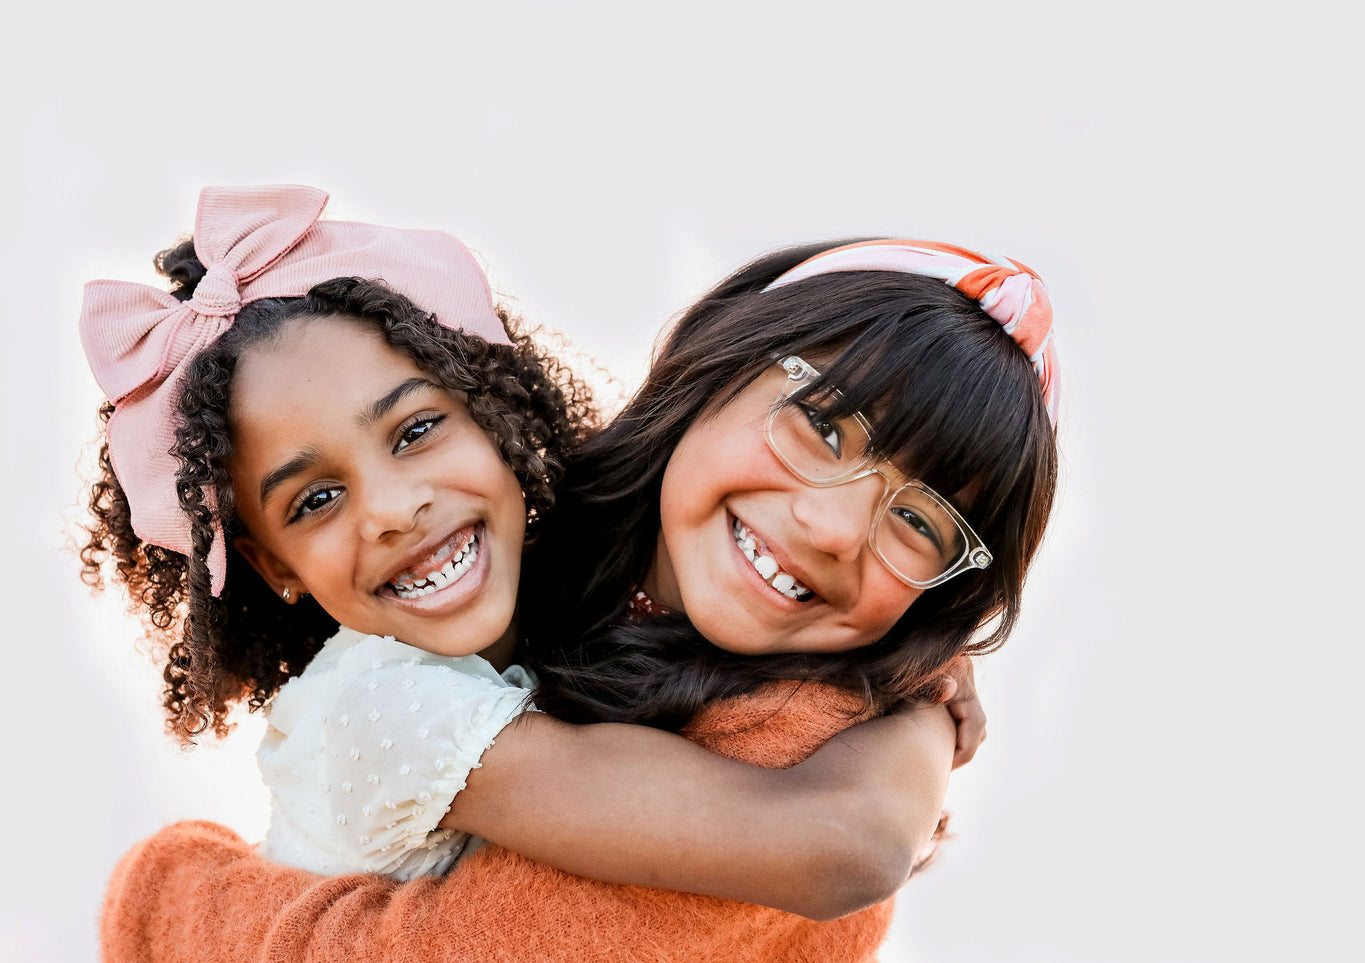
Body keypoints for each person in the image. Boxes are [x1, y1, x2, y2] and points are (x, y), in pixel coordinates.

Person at [95, 220, 1060, 962]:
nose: (835, 524)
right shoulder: (416, 667)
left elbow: (846, 845)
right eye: (825, 426)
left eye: (922, 523)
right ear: (716, 358)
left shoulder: (806, 739)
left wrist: (166, 890)